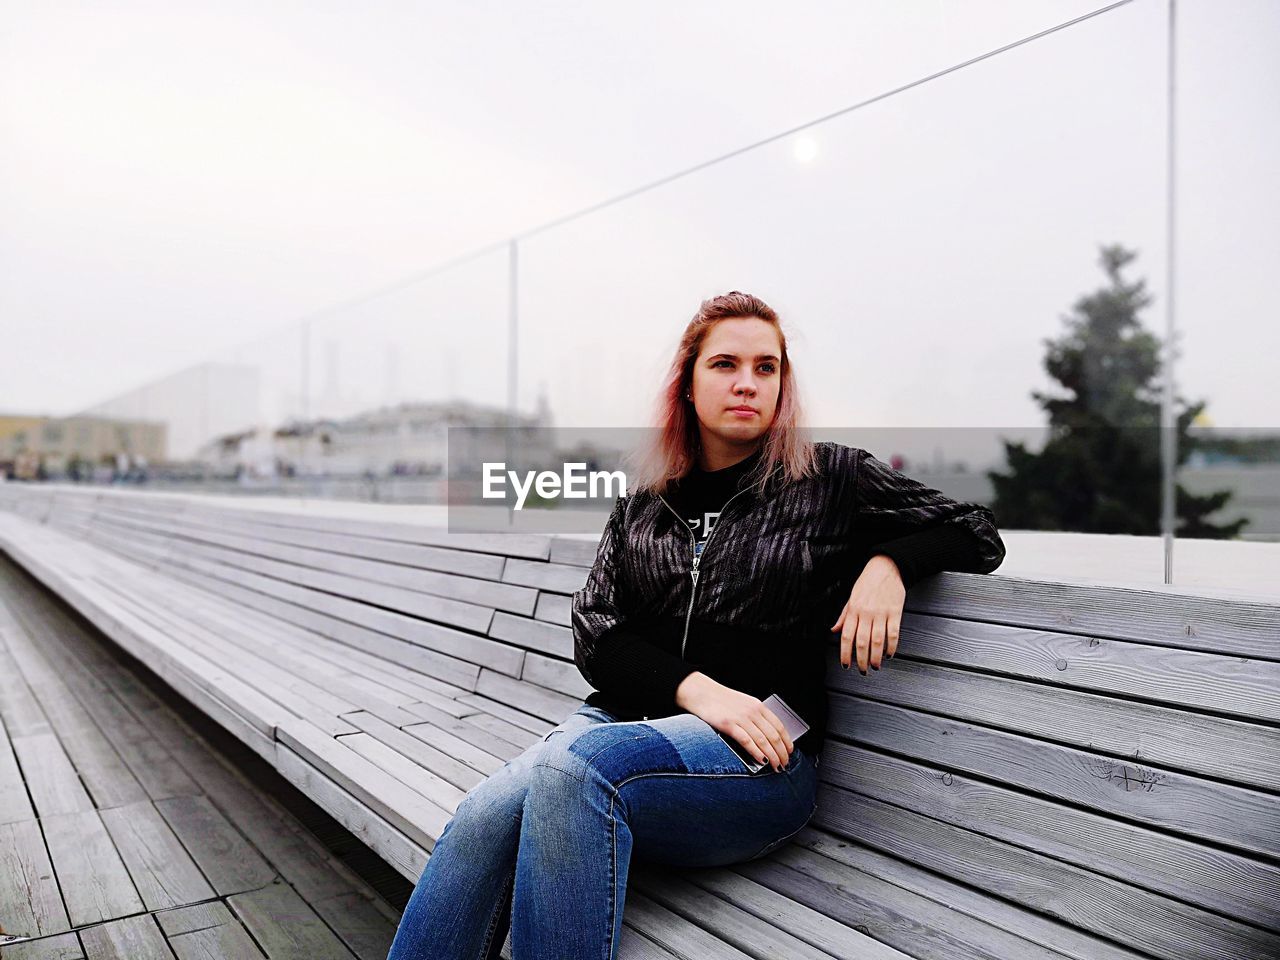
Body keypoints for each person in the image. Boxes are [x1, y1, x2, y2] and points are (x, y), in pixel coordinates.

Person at [386, 291, 1006, 960]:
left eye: (766, 368)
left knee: (575, 771)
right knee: (487, 811)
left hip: (761, 754)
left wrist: (889, 564)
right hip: (626, 725)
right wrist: (699, 691)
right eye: (726, 364)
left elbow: (976, 530)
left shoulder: (833, 479)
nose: (747, 383)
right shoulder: (646, 499)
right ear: (687, 381)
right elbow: (597, 629)